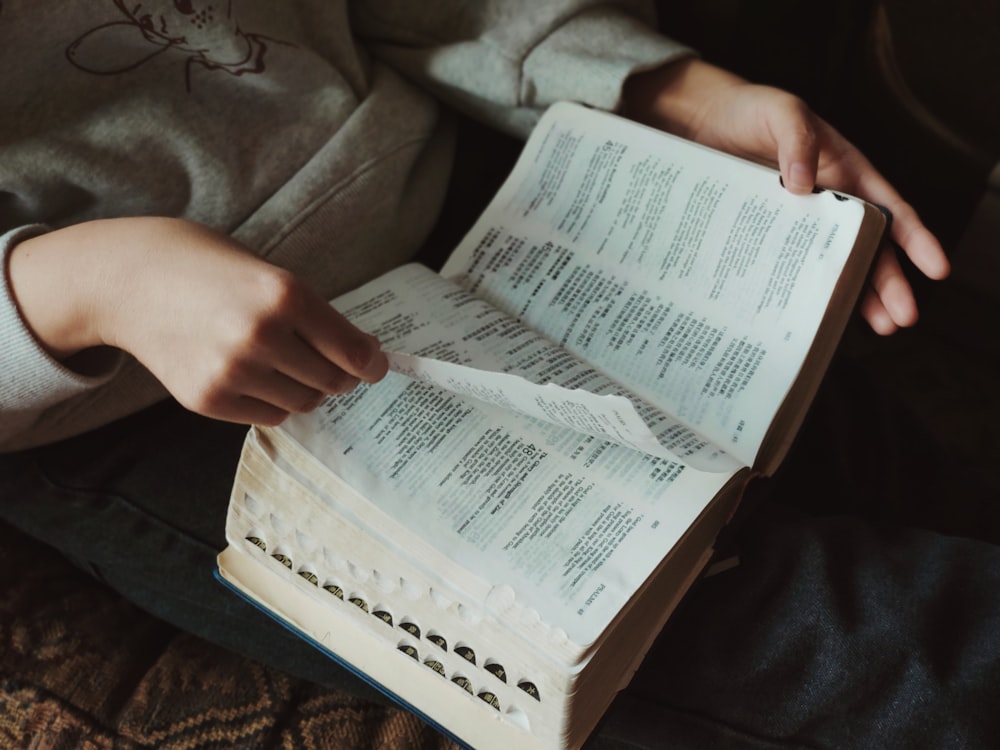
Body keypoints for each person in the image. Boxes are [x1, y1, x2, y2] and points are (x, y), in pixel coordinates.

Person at [2, 2, 996, 748]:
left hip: (447, 175)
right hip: (127, 385)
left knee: (851, 441)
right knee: (834, 646)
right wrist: (93, 285)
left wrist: (673, 93)